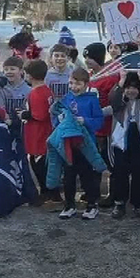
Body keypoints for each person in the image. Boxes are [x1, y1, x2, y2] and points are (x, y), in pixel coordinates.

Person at [51, 68, 105, 219]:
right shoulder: (66, 98)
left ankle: (91, 205)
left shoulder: (92, 99)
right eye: (71, 83)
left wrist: (85, 121)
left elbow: (99, 121)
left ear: (86, 84)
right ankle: (69, 205)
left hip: (86, 144)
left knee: (87, 176)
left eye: (78, 84)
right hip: (68, 144)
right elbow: (56, 118)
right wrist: (59, 119)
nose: (74, 87)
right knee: (68, 176)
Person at [108, 70, 140, 219]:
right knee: (120, 172)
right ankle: (119, 202)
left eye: (135, 88)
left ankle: (138, 203)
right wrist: (121, 81)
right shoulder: (120, 104)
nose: (131, 91)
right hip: (122, 141)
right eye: (128, 88)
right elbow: (113, 100)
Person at [22, 59, 60, 209]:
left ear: (30, 76)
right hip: (45, 132)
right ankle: (50, 192)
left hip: (38, 135)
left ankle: (48, 193)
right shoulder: (47, 89)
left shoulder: (36, 93)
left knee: (40, 165)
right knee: (46, 164)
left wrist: (25, 114)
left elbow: (39, 115)